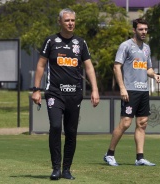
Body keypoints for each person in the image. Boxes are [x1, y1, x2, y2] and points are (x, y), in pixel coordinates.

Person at [32, 8, 100, 180]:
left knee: (71, 132)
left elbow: (89, 67)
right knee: (55, 127)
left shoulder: (81, 43)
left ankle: (66, 169)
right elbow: (40, 65)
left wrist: (95, 89)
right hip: (54, 93)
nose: (71, 23)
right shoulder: (51, 41)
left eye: (73, 21)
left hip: (74, 94)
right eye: (67, 20)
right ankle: (55, 168)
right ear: (60, 22)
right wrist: (36, 90)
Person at [103, 18, 160, 166]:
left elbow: (147, 68)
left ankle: (140, 157)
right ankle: (109, 154)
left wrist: (154, 75)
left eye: (146, 29)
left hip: (143, 91)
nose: (144, 32)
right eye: (141, 29)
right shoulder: (126, 46)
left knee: (142, 123)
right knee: (125, 123)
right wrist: (122, 88)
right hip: (130, 90)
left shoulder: (147, 48)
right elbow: (117, 67)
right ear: (134, 30)